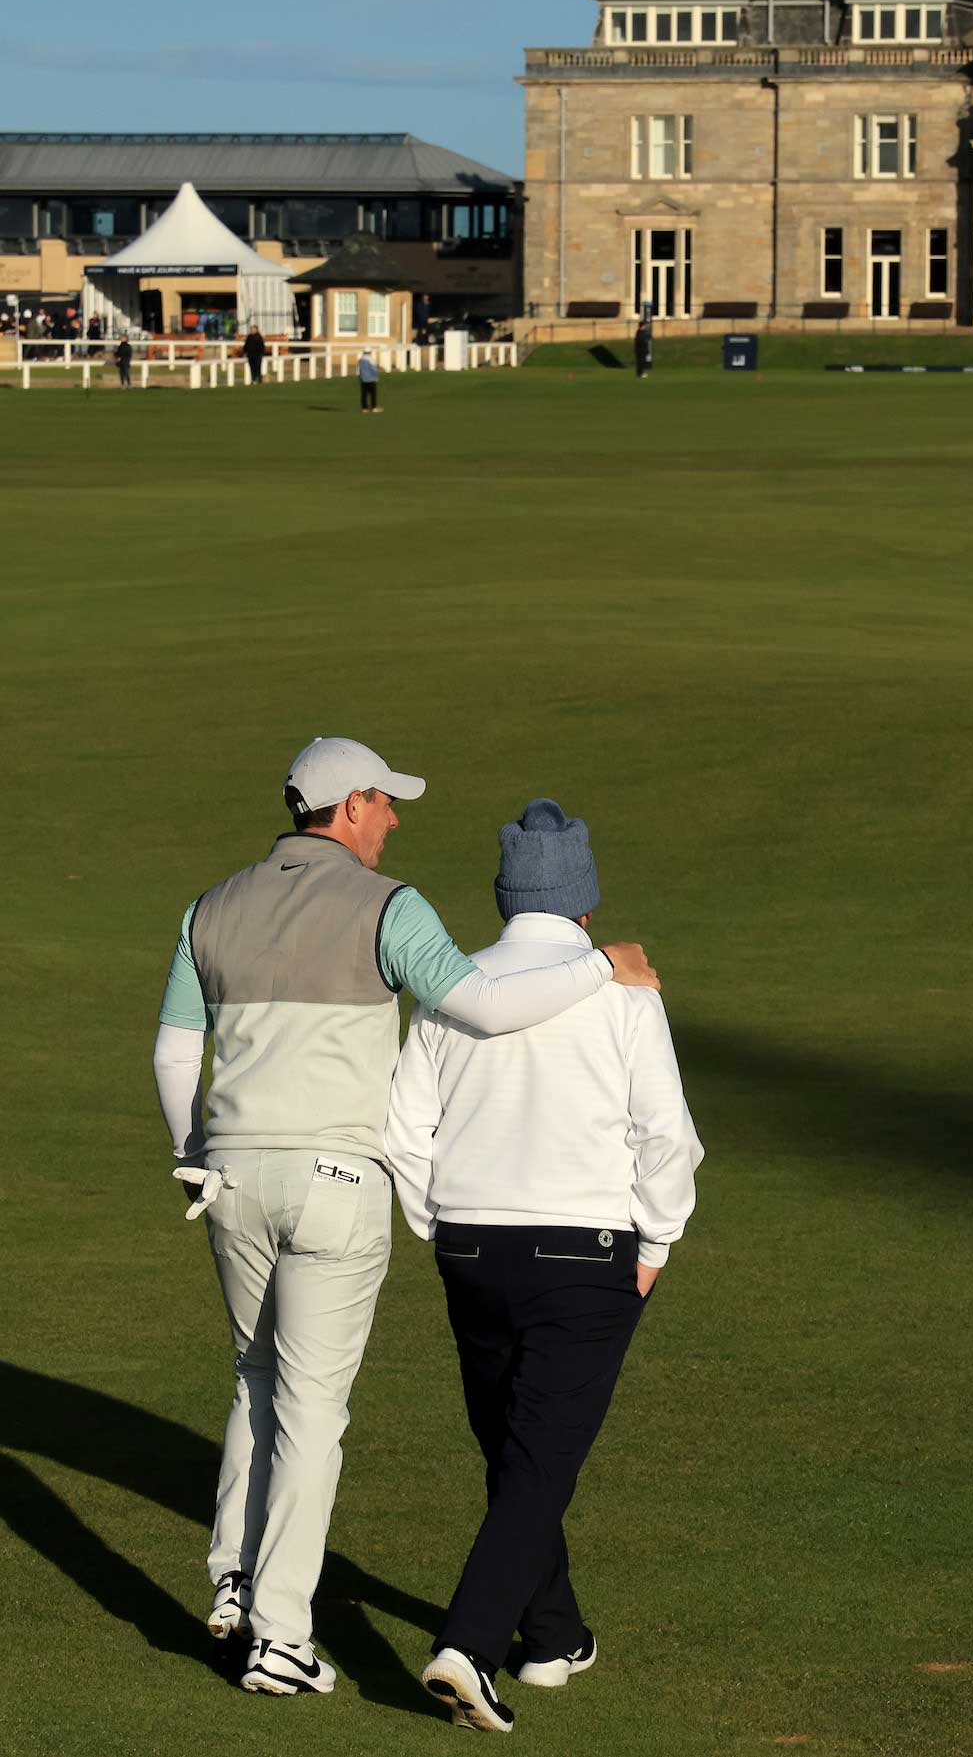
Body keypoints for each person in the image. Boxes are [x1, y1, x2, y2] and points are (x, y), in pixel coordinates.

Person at [151, 738, 659, 1698]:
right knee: (312, 1406)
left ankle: (235, 1580)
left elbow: (177, 1052)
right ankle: (281, 1635)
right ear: (348, 806)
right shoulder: (390, 906)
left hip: (229, 1176)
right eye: (384, 802)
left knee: (255, 1376)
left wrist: (192, 1151)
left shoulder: (207, 907)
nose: (392, 818)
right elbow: (483, 1005)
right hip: (336, 1178)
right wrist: (602, 965)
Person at [387, 799, 702, 1733]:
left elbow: (403, 1129)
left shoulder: (454, 984)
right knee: (535, 1459)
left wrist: (438, 1225)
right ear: (585, 905)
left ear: (506, 897)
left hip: (471, 1247)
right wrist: (657, 1244)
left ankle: (553, 1634)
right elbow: (668, 1137)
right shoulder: (625, 993)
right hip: (583, 1255)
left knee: (517, 1450)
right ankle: (468, 1644)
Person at [358, 348, 379, 413]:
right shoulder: (371, 359)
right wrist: (376, 377)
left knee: (364, 394)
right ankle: (374, 408)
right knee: (373, 394)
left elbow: (359, 370)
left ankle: (364, 408)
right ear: (370, 352)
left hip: (363, 379)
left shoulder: (360, 360)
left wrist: (360, 377)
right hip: (371, 379)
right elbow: (374, 369)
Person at [634, 314, 653, 379]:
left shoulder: (642, 332)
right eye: (644, 326)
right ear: (642, 326)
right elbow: (640, 341)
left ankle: (640, 373)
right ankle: (640, 373)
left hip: (642, 350)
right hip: (640, 350)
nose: (645, 327)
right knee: (640, 362)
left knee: (642, 362)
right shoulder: (639, 333)